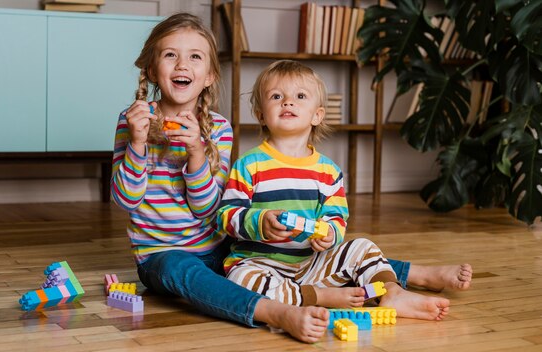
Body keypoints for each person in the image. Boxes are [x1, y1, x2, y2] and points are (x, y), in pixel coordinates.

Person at [111, 14, 471, 344]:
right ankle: (277, 312)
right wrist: (139, 143)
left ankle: (414, 275)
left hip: (220, 249)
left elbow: (206, 208)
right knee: (185, 270)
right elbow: (126, 200)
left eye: (195, 57)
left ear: (208, 76)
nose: (182, 65)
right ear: (153, 69)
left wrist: (196, 153)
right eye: (170, 55)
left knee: (290, 254)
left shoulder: (216, 129)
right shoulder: (132, 122)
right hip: (160, 255)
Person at [217, 60, 454, 325]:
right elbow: (228, 215)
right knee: (239, 278)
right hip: (260, 263)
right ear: (261, 114)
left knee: (363, 247)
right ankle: (318, 297)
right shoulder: (249, 165)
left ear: (317, 115)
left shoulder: (328, 171)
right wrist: (260, 222)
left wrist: (330, 234)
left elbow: (336, 217)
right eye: (276, 96)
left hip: (309, 266)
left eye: (300, 96)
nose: (288, 102)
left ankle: (392, 293)